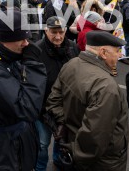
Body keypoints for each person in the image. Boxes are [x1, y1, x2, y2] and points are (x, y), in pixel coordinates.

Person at [0, 9, 47, 170]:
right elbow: (27, 108)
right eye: (21, 38)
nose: (26, 43)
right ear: (6, 39)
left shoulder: (11, 56)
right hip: (3, 148)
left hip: (17, 140)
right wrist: (34, 66)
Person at [46, 31, 129, 171]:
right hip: (102, 162)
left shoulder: (71, 64)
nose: (120, 55)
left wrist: (65, 124)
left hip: (74, 145)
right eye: (117, 51)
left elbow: (53, 101)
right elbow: (95, 137)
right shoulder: (106, 86)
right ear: (103, 52)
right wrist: (78, 154)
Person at [35, 16, 79, 171]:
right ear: (46, 31)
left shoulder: (73, 48)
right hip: (43, 110)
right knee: (42, 143)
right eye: (54, 32)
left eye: (61, 32)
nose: (58, 36)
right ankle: (40, 167)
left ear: (66, 31)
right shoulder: (36, 50)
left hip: (66, 109)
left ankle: (57, 161)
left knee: (61, 140)